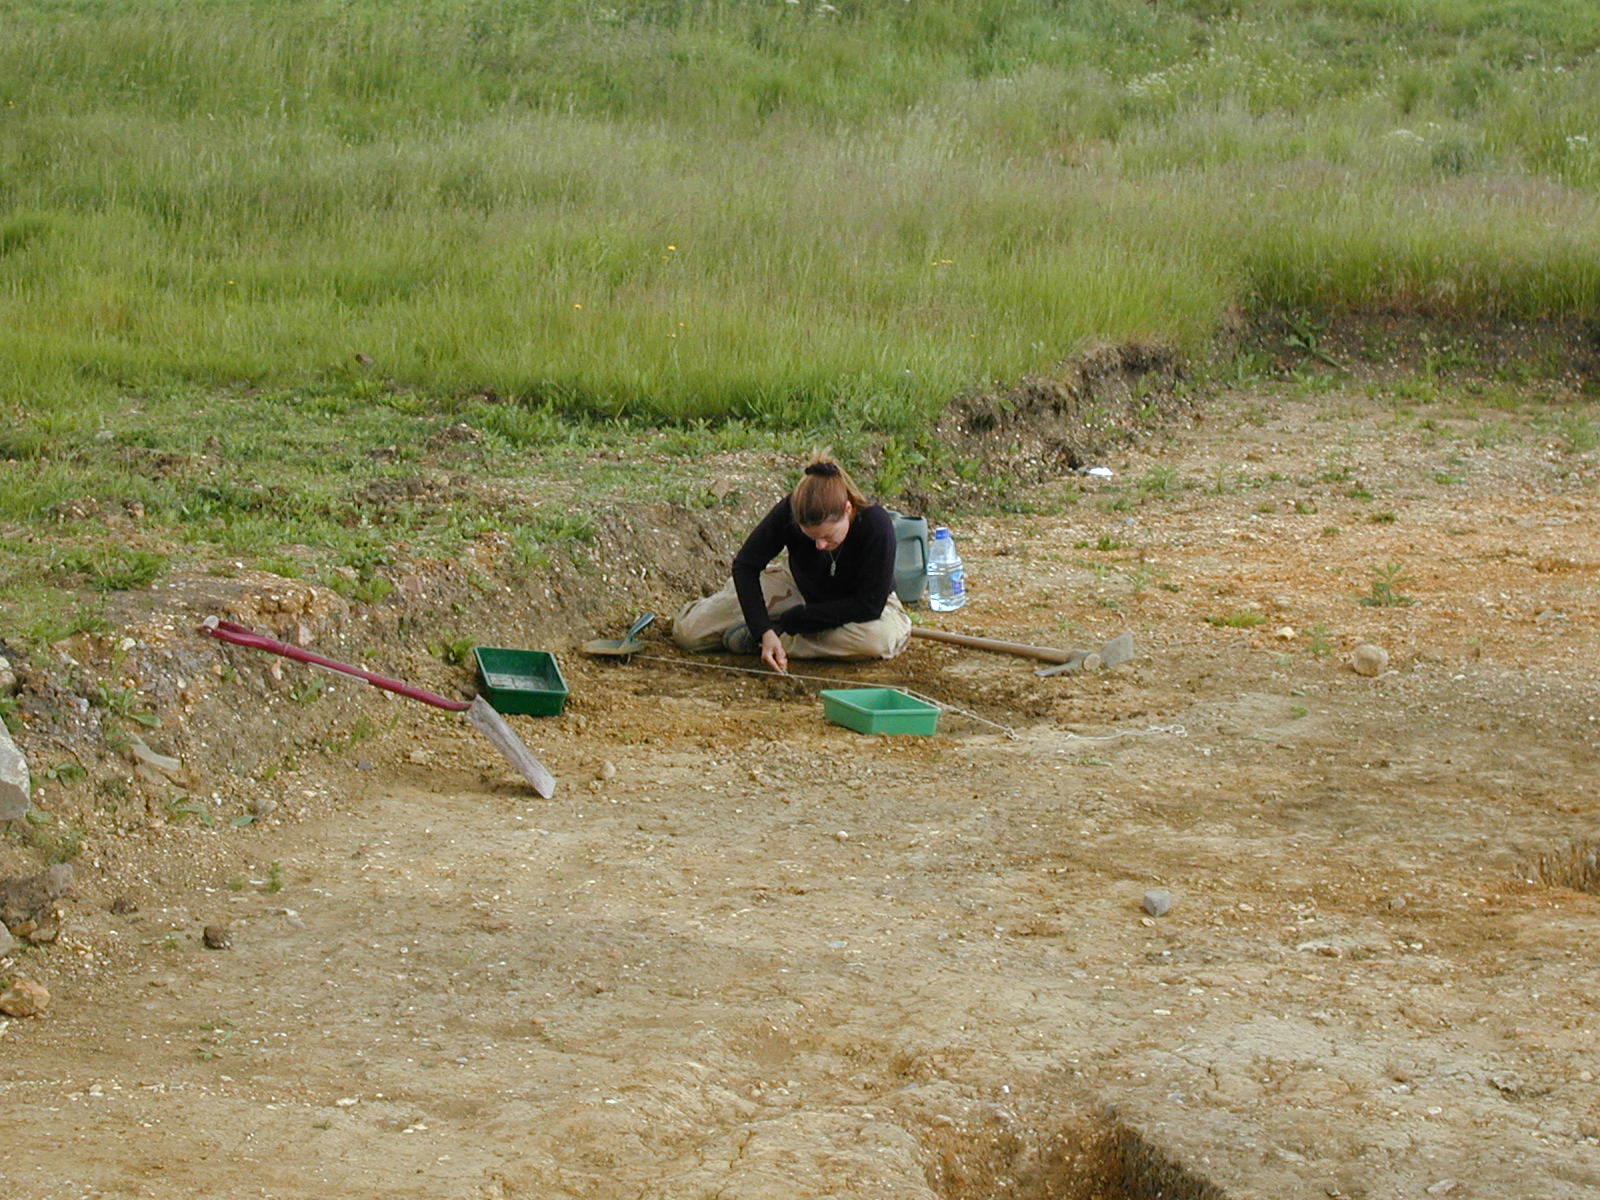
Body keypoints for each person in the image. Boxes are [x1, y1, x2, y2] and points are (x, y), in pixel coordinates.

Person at [672, 457, 912, 674]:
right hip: (796, 588)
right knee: (689, 634)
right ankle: (761, 632)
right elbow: (746, 565)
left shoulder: (875, 524)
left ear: (847, 510)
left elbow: (868, 606)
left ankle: (780, 642)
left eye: (828, 537)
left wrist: (791, 623)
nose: (819, 545)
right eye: (811, 537)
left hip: (858, 607)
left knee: (877, 640)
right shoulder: (791, 509)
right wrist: (762, 629)